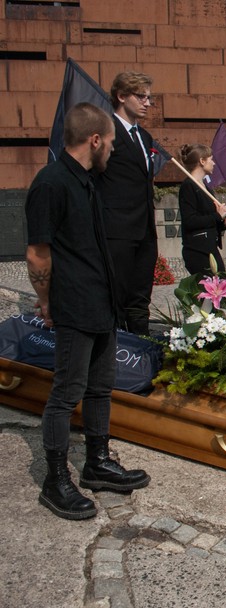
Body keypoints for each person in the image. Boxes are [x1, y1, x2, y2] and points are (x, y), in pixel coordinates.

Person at [25, 103, 150, 520]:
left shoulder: (89, 182)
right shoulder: (52, 183)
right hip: (74, 304)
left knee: (100, 388)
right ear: (94, 140)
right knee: (66, 392)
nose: (113, 151)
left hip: (101, 301)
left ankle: (96, 462)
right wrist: (46, 301)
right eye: (111, 143)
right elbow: (38, 253)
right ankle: (55, 478)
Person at [95, 71, 157, 335]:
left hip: (144, 229)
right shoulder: (105, 131)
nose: (147, 103)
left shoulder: (144, 137)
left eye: (149, 98)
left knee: (140, 298)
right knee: (116, 296)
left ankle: (141, 348)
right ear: (121, 96)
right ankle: (116, 351)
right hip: (117, 229)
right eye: (141, 96)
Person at [178, 143, 226, 276]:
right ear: (202, 161)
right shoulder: (189, 186)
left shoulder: (206, 187)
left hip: (209, 246)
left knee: (222, 288)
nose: (214, 163)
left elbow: (208, 222)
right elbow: (190, 221)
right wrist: (218, 216)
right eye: (211, 159)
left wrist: (224, 224)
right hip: (198, 250)